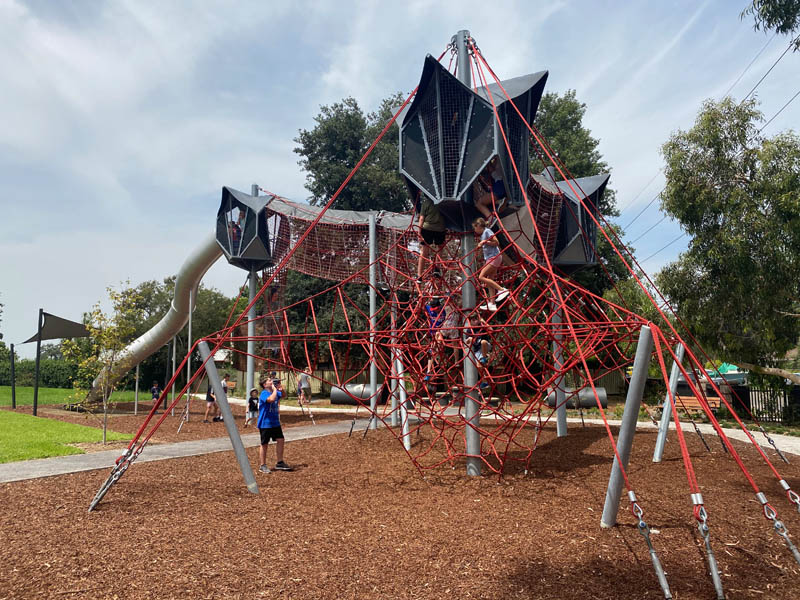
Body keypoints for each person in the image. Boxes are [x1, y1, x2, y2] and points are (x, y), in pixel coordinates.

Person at [473, 217, 509, 311]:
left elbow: (496, 242)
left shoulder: (487, 231)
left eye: (475, 228)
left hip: (494, 257)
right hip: (491, 258)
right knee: (489, 281)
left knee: (481, 277)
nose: (474, 230)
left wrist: (485, 242)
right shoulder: (483, 234)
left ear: (479, 226)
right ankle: (492, 303)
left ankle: (502, 290)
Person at [257, 378, 292, 473]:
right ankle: (262, 465)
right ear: (265, 385)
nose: (271, 381)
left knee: (280, 440)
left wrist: (281, 388)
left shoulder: (275, 391)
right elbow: (271, 399)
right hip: (265, 423)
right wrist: (275, 390)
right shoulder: (264, 393)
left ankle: (280, 462)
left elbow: (284, 395)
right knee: (264, 444)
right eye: (269, 380)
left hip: (275, 422)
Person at [415, 192, 447, 283]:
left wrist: (419, 232)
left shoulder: (426, 203)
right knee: (439, 248)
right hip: (440, 228)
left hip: (427, 228)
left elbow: (421, 218)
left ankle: (419, 276)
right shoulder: (441, 202)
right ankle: (437, 269)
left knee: (424, 251)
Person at [474, 157, 507, 224]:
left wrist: (488, 162)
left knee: (479, 203)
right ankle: (504, 202)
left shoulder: (497, 162)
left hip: (499, 185)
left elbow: (491, 169)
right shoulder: (503, 160)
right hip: (505, 185)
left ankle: (491, 218)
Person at [465, 314, 492, 389]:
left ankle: (484, 358)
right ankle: (485, 382)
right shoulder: (469, 330)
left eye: (475, 320)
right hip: (478, 350)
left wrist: (484, 322)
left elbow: (491, 330)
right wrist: (469, 339)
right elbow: (466, 341)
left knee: (483, 341)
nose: (474, 322)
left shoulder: (482, 327)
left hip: (485, 346)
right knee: (479, 366)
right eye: (472, 320)